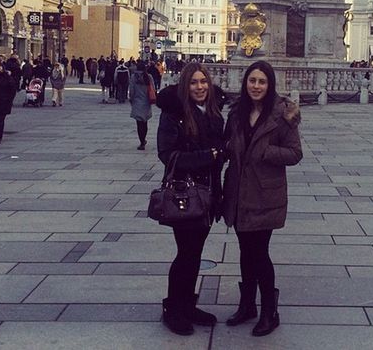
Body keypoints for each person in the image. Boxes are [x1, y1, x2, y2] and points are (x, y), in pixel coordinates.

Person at [222, 60, 302, 337]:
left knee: (260, 254)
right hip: (239, 193)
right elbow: (225, 147)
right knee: (245, 252)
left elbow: (295, 154)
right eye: (252, 81)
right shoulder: (237, 114)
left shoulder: (282, 116)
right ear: (246, 83)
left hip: (265, 194)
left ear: (270, 86)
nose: (256, 86)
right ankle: (247, 306)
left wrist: (267, 152)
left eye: (262, 82)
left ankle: (270, 310)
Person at [156, 62, 226, 336]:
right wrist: (207, 157)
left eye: (203, 82)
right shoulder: (174, 114)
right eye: (194, 83)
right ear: (186, 86)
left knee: (195, 254)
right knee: (185, 253)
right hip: (184, 195)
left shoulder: (213, 112)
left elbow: (220, 153)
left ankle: (187, 304)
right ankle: (173, 309)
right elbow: (167, 154)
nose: (200, 87)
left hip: (208, 195)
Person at [129, 61, 153, 150]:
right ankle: (143, 140)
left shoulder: (133, 77)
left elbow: (131, 90)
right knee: (145, 122)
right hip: (146, 102)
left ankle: (142, 141)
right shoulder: (148, 77)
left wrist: (131, 99)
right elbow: (153, 89)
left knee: (139, 124)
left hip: (137, 101)